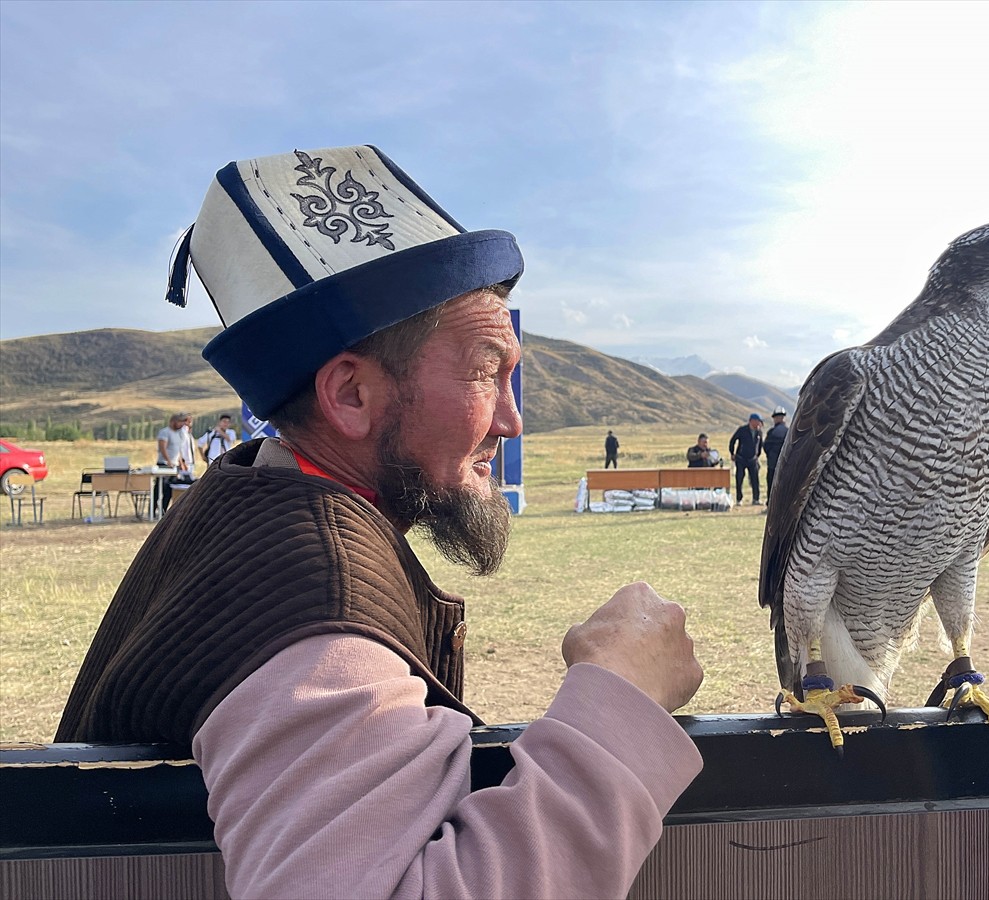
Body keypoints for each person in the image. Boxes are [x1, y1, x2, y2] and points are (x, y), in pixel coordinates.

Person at [55, 145, 703, 899]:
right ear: (352, 397)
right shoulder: (312, 617)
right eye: (485, 370)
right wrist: (620, 701)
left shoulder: (252, 495)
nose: (512, 419)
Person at [154, 412, 192, 513]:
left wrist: (181, 463)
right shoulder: (165, 432)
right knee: (160, 488)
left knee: (170, 490)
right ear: (173, 422)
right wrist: (168, 461)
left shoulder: (179, 434)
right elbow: (163, 448)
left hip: (175, 465)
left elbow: (178, 450)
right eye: (180, 422)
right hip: (164, 464)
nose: (181, 425)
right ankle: (153, 509)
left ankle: (163, 510)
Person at [728, 413, 764, 505]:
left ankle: (756, 499)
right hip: (741, 458)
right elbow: (732, 441)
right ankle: (739, 499)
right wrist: (732, 453)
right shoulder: (742, 430)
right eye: (757, 421)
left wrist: (757, 455)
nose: (758, 423)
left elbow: (760, 445)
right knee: (739, 478)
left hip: (753, 460)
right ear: (751, 421)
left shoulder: (759, 432)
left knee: (755, 479)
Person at [762, 405, 789, 503]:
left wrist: (771, 455)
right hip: (786, 464)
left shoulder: (772, 432)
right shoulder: (789, 432)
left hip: (772, 464)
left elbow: (766, 446)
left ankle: (770, 504)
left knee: (771, 484)